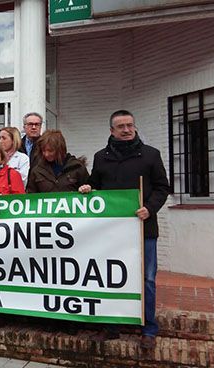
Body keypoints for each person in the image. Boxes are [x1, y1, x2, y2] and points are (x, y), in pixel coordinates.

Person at [78, 110, 169, 349]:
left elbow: (162, 187)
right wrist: (88, 188)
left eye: (130, 125)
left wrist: (149, 208)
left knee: (147, 279)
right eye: (121, 126)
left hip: (143, 229)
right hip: (112, 232)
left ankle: (148, 328)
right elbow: (95, 185)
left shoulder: (151, 155)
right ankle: (112, 326)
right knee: (111, 276)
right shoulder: (101, 157)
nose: (127, 130)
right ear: (112, 131)